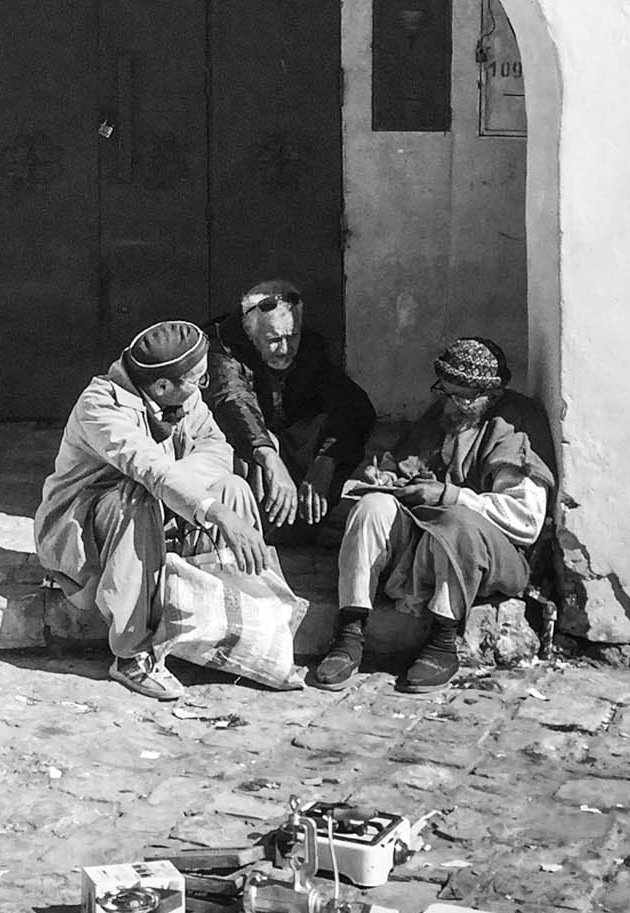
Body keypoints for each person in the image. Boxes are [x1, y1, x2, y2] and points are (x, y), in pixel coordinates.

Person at [35, 318, 272, 702]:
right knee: (138, 495)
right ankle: (130, 653)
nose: (202, 387)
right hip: (88, 533)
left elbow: (217, 449)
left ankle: (251, 623)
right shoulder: (99, 406)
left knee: (233, 487)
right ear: (162, 386)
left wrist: (194, 495)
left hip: (159, 514)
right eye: (197, 379)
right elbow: (149, 469)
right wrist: (208, 510)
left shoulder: (183, 395)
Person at [313, 336, 555, 694]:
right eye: (446, 391)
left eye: (463, 396)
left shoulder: (516, 428)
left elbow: (526, 521)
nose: (451, 403)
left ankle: (443, 642)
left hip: (488, 553)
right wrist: (386, 477)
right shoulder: (443, 415)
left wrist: (450, 495)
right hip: (424, 536)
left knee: (456, 521)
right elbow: (407, 461)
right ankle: (349, 631)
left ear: (490, 394)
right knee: (372, 508)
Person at [203, 277, 377, 540]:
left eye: (292, 337)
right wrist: (268, 455)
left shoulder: (311, 347)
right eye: (273, 340)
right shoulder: (223, 347)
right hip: (247, 452)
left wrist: (325, 461)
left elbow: (353, 404)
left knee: (334, 432)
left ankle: (305, 524)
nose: (285, 349)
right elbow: (233, 401)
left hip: (293, 453)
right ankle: (261, 530)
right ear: (251, 333)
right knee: (256, 448)